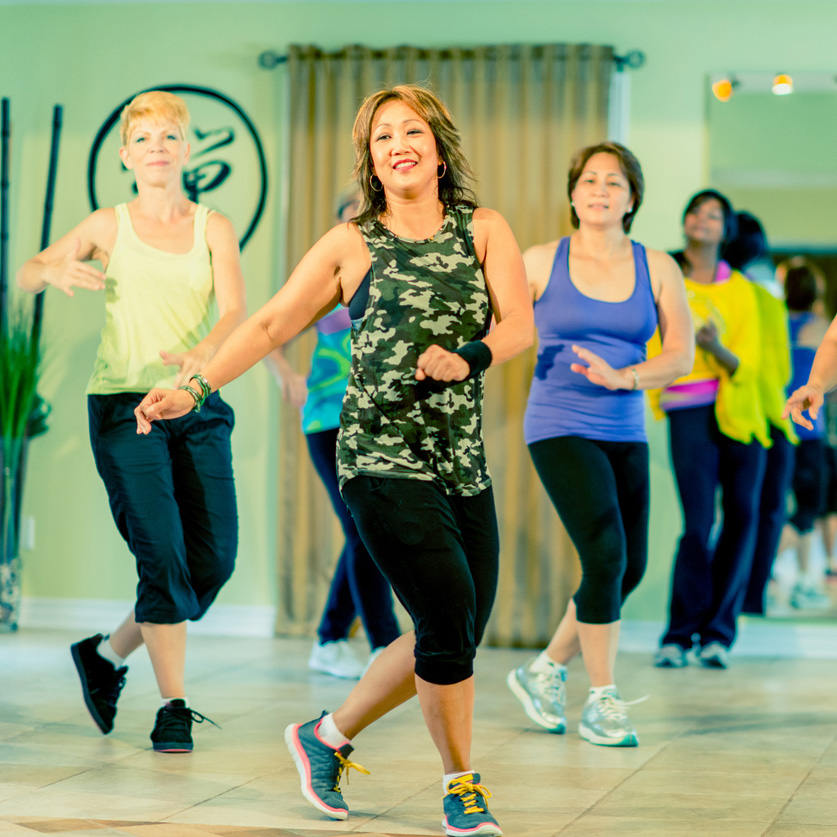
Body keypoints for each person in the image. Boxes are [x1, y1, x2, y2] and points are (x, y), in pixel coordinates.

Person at [134, 83, 532, 836]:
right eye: (382, 137)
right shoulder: (352, 243)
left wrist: (468, 356)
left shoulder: (483, 229)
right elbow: (271, 323)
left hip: (461, 461)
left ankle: (327, 734)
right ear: (370, 161)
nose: (397, 145)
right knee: (447, 614)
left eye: (411, 131)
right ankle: (461, 786)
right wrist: (193, 387)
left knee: (457, 627)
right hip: (378, 456)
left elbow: (519, 326)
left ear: (439, 148)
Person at [17, 91, 246, 752]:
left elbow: (235, 311)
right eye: (143, 139)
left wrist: (206, 352)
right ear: (125, 155)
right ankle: (174, 705)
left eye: (168, 136)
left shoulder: (214, 226)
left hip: (196, 401)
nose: (156, 148)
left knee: (213, 560)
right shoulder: (107, 224)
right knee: (162, 553)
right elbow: (27, 272)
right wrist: (52, 268)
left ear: (187, 148)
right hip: (124, 406)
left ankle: (105, 655)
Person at [506, 142, 692, 748]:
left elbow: (681, 354)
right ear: (572, 193)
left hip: (625, 426)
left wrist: (625, 377)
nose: (600, 190)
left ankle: (544, 669)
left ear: (632, 198)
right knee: (608, 554)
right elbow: (499, 328)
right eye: (589, 180)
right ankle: (603, 700)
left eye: (614, 182)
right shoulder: (540, 261)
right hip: (558, 422)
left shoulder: (657, 266)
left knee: (627, 567)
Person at [267, 189, 400, 678]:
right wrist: (286, 375)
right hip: (330, 418)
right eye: (350, 217)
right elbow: (269, 333)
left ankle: (329, 638)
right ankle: (384, 645)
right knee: (364, 529)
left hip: (382, 421)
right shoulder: (326, 279)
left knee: (368, 529)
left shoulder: (400, 275)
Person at [652, 190, 768, 670]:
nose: (703, 219)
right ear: (685, 222)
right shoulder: (665, 278)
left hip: (740, 415)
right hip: (688, 409)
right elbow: (652, 344)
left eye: (714, 214)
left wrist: (715, 348)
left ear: (727, 230)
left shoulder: (742, 290)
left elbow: (748, 365)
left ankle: (719, 634)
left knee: (741, 518)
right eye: (696, 211)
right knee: (697, 525)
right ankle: (679, 636)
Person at [721, 213, 798, 617]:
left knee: (738, 514)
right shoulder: (767, 299)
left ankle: (729, 599)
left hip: (735, 415)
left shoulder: (726, 295)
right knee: (768, 513)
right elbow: (782, 369)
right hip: (773, 416)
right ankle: (753, 598)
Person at [780, 259, 832, 609]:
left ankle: (802, 579)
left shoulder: (779, 325)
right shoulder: (820, 329)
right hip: (811, 433)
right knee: (808, 509)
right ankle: (758, 560)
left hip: (782, 428)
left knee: (801, 510)